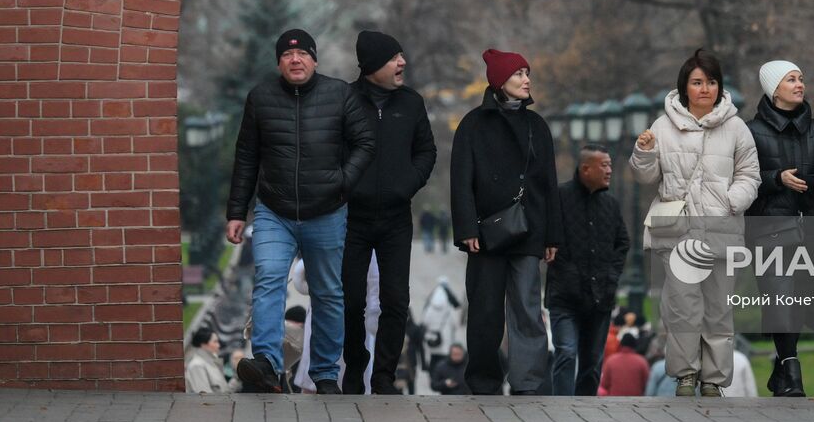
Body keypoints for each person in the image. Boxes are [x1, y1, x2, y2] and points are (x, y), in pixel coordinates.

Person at [226, 28, 374, 395]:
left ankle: (324, 373)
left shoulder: (339, 94)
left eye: (303, 54)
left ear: (314, 59)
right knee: (269, 280)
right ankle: (267, 365)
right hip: (274, 211)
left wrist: (343, 181)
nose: (296, 60)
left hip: (326, 212)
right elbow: (246, 157)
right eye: (288, 55)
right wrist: (236, 212)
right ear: (278, 62)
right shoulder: (260, 98)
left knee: (327, 292)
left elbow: (366, 142)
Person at [630, 48, 760, 398]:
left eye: (711, 82)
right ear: (684, 87)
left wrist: (732, 202)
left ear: (719, 87)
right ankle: (685, 375)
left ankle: (713, 380)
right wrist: (643, 151)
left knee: (719, 310)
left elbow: (750, 174)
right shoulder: (662, 125)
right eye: (697, 82)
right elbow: (646, 176)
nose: (705, 88)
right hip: (677, 233)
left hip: (722, 229)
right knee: (682, 308)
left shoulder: (736, 128)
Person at [450, 48, 563, 395]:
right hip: (485, 234)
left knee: (528, 309)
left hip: (528, 231)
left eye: (528, 73)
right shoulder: (472, 124)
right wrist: (467, 228)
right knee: (484, 311)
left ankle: (528, 382)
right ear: (500, 81)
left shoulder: (536, 125)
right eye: (518, 74)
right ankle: (484, 381)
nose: (527, 80)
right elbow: (461, 179)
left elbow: (549, 183)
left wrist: (552, 236)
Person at [342, 30, 437, 395]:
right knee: (351, 299)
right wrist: (345, 185)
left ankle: (384, 376)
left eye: (401, 56)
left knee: (396, 300)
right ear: (371, 67)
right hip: (352, 217)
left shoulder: (412, 103)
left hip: (397, 218)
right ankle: (355, 368)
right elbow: (333, 151)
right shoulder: (345, 100)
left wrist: (407, 184)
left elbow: (426, 152)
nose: (402, 63)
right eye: (393, 58)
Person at [745, 59, 814, 397]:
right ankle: (793, 370)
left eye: (801, 78)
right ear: (774, 89)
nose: (799, 84)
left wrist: (810, 182)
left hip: (809, 228)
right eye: (790, 79)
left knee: (799, 298)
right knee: (780, 295)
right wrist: (776, 178)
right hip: (767, 228)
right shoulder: (751, 131)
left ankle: (781, 368)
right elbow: (743, 179)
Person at [547, 144, 631, 395]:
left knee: (592, 364)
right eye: (603, 165)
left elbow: (622, 243)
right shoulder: (559, 198)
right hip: (565, 296)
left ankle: (585, 412)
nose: (609, 171)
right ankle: (561, 410)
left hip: (600, 298)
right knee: (566, 352)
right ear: (586, 169)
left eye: (610, 165)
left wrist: (611, 277)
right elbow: (548, 238)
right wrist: (567, 272)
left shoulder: (611, 205)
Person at [419, 276, 463, 371]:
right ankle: (441, 376)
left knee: (433, 358)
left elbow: (425, 320)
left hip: (433, 336)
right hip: (446, 338)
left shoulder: (431, 304)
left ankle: (433, 378)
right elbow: (456, 323)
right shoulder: (449, 305)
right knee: (444, 359)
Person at [599, 330, 651, 396]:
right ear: (634, 345)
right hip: (635, 401)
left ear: (620, 344)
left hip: (614, 400)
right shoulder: (642, 362)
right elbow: (647, 384)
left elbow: (604, 384)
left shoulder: (611, 360)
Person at [184, 326, 232, 394]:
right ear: (203, 344)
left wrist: (237, 379)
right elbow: (205, 399)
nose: (218, 345)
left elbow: (225, 392)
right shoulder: (197, 366)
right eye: (215, 342)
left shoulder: (211, 362)